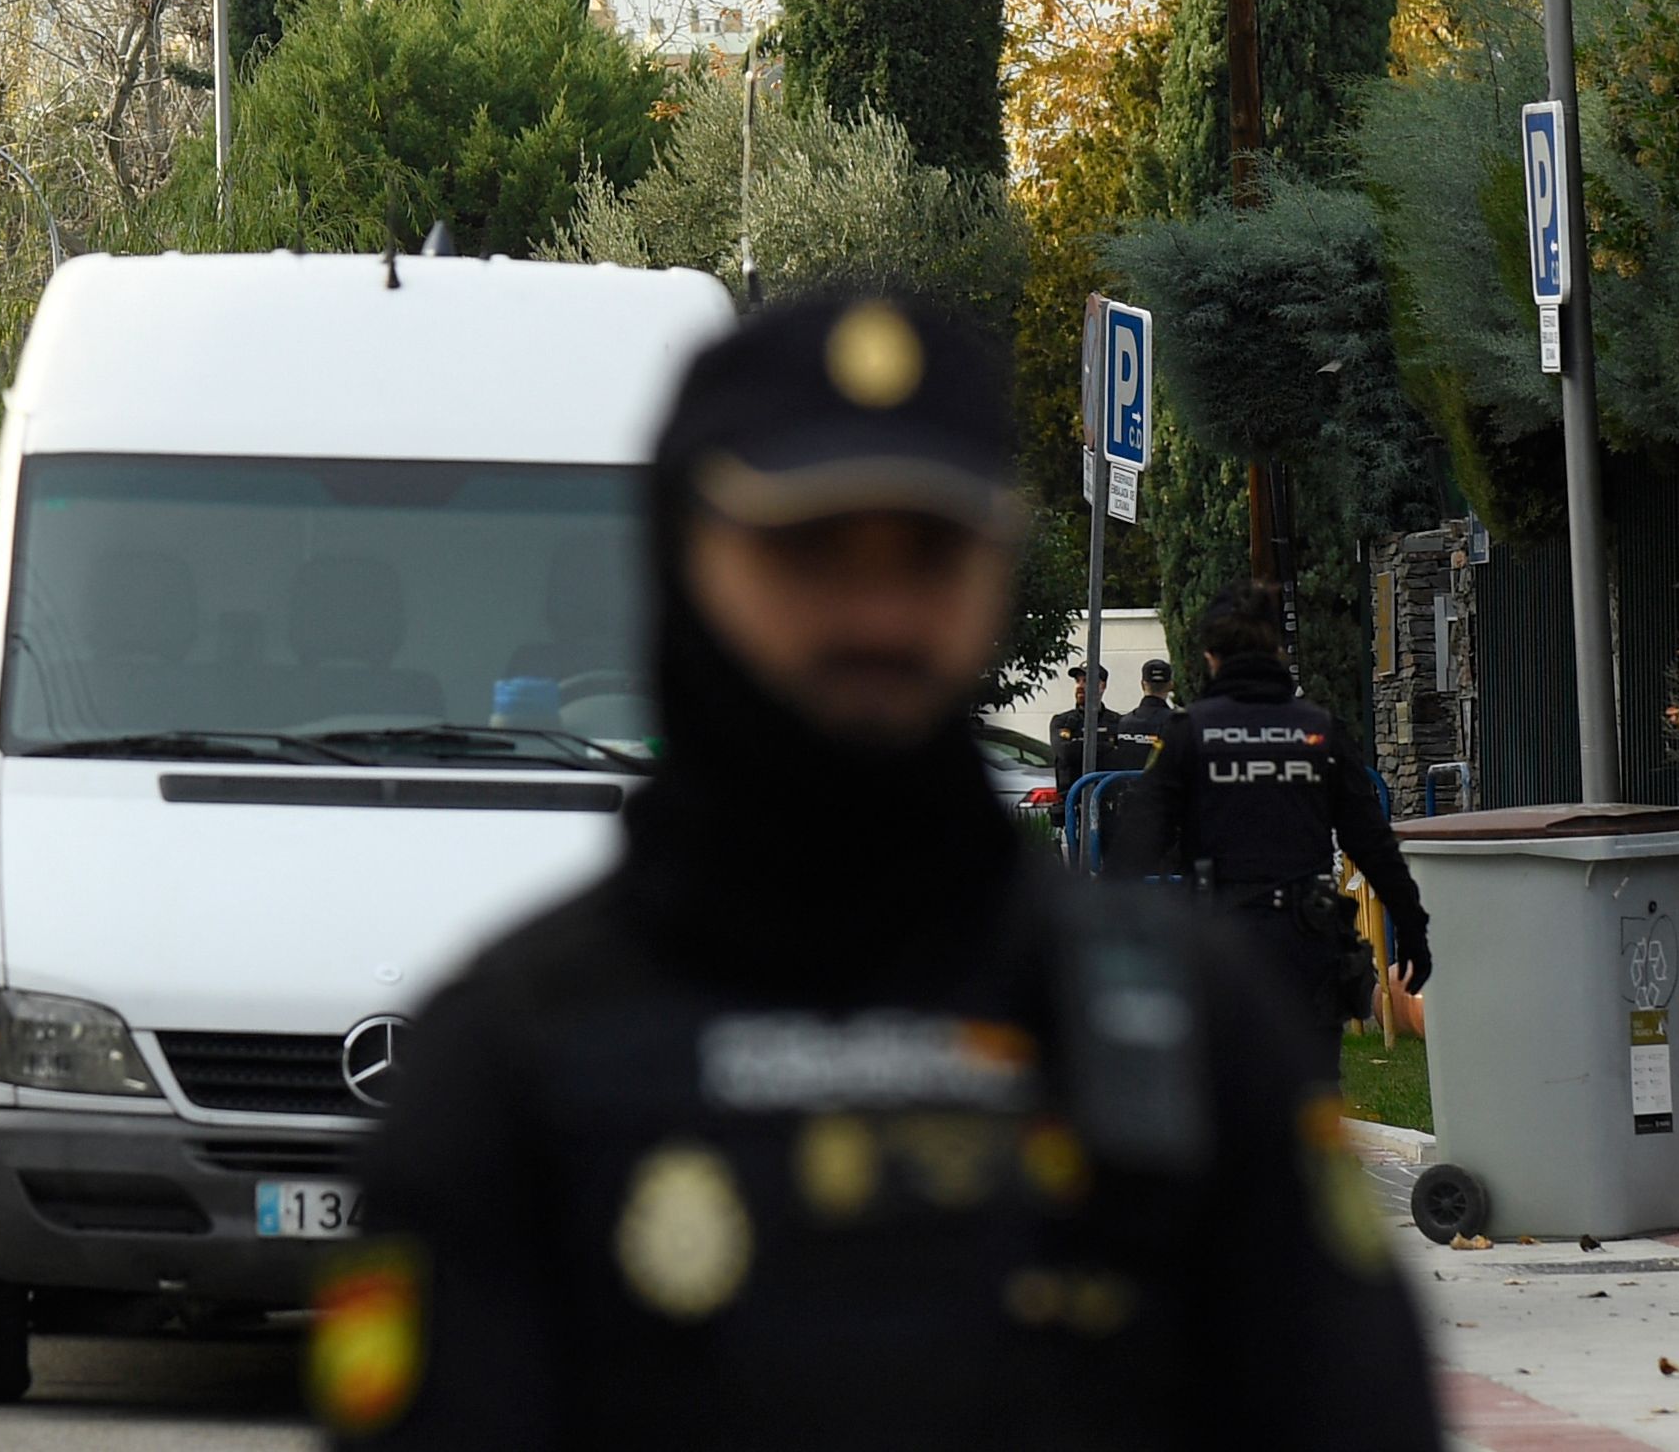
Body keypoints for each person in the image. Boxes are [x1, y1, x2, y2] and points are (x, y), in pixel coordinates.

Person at [320, 287, 1439, 1449]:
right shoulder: (511, 1052)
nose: (875, 611)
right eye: (807, 549)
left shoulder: (1188, 1026)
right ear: (682, 557)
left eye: (928, 552)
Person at [1142, 583, 1433, 1077]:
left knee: (1227, 1098)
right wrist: (1411, 928)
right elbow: (1372, 842)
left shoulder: (1189, 733)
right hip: (1307, 944)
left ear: (1211, 657)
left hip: (1220, 944)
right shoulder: (1318, 730)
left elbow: (1136, 844)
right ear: (1278, 651)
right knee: (1309, 1099)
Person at [1044, 661, 1124, 785]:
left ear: (1102, 686)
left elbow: (1120, 757)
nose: (1080, 686)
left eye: (1086, 681)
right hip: (1072, 798)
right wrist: (1107, 745)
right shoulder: (1063, 721)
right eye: (1077, 681)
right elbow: (1066, 753)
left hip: (1105, 795)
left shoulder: (1117, 721)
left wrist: (1080, 744)